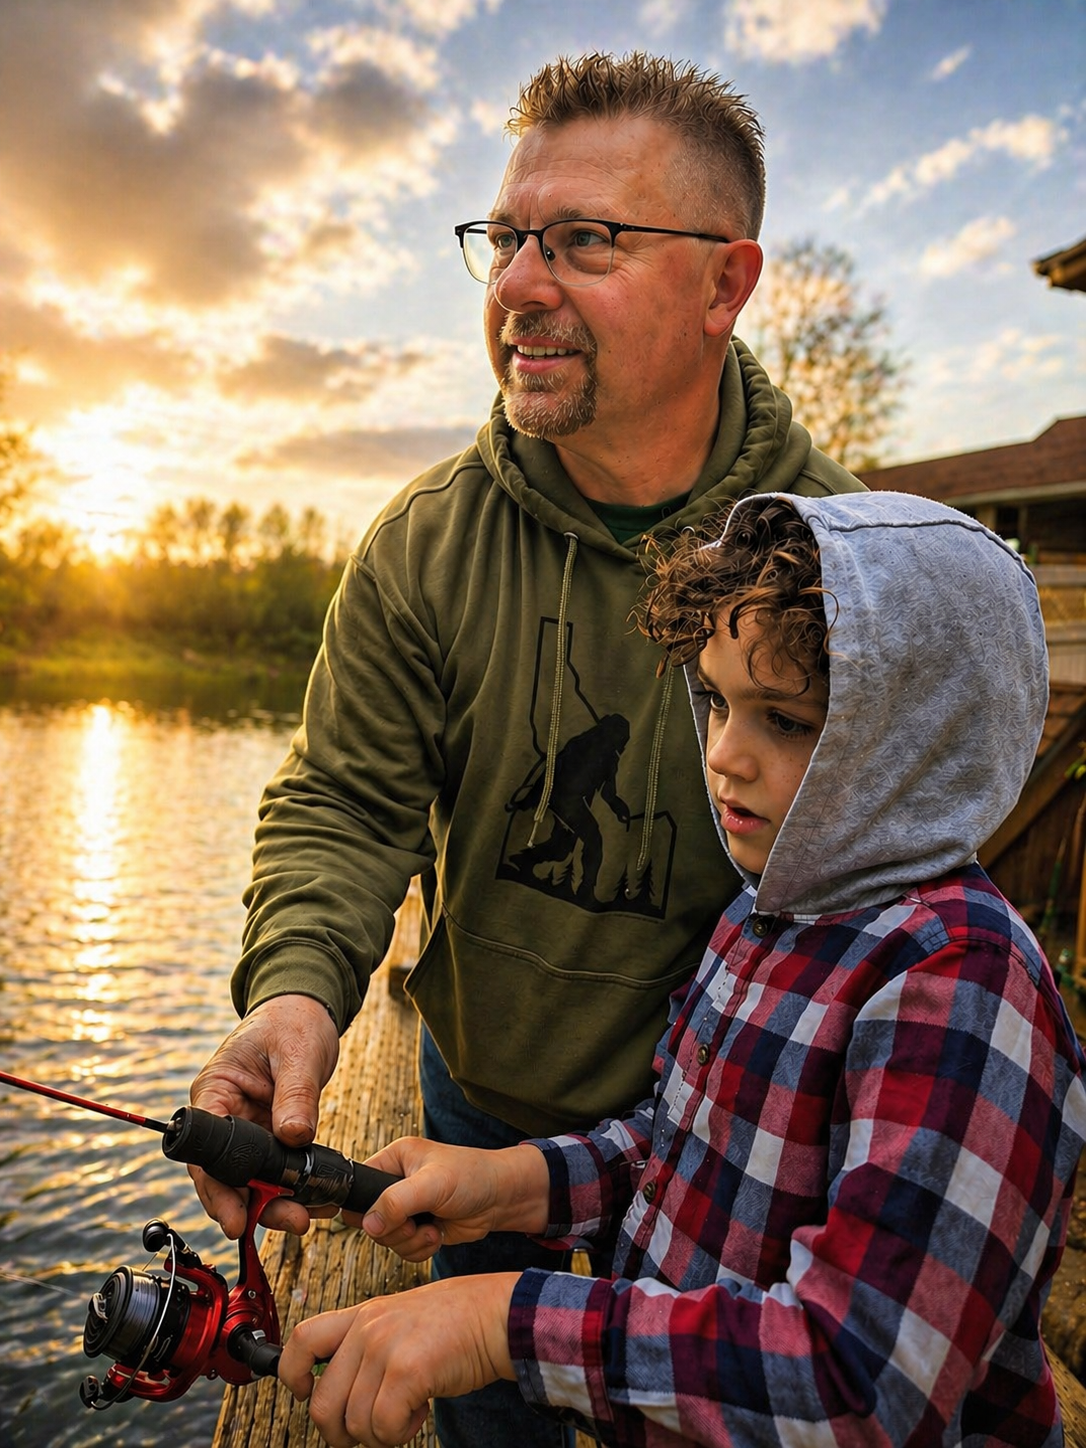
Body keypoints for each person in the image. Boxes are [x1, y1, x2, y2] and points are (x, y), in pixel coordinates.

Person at [189, 51, 865, 1448]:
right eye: (505, 240)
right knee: (490, 1425)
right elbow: (344, 799)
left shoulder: (852, 566)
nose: (517, 285)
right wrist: (299, 992)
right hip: (474, 1114)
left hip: (732, 1147)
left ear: (725, 285)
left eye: (586, 241)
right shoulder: (422, 543)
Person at [277, 491, 1086, 1448]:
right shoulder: (761, 911)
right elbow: (678, 1149)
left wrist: (502, 1322)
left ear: (921, 740)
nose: (724, 755)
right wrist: (508, 1184)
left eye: (785, 720)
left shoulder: (963, 986)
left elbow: (860, 1383)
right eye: (715, 700)